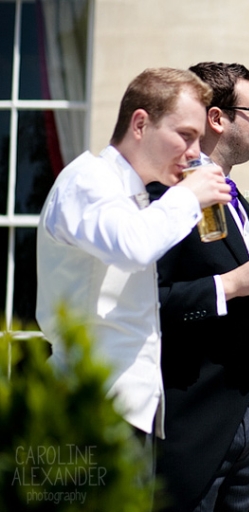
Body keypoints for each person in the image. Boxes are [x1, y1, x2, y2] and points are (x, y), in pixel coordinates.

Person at [36, 67, 231, 458]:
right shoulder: (89, 180)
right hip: (89, 410)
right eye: (186, 136)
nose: (196, 152)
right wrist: (190, 197)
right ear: (140, 123)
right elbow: (132, 246)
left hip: (124, 414)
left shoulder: (136, 194)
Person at [146, 62, 249, 512]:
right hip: (194, 419)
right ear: (217, 118)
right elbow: (151, 300)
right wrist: (232, 283)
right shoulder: (166, 196)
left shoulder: (238, 201)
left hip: (246, 410)